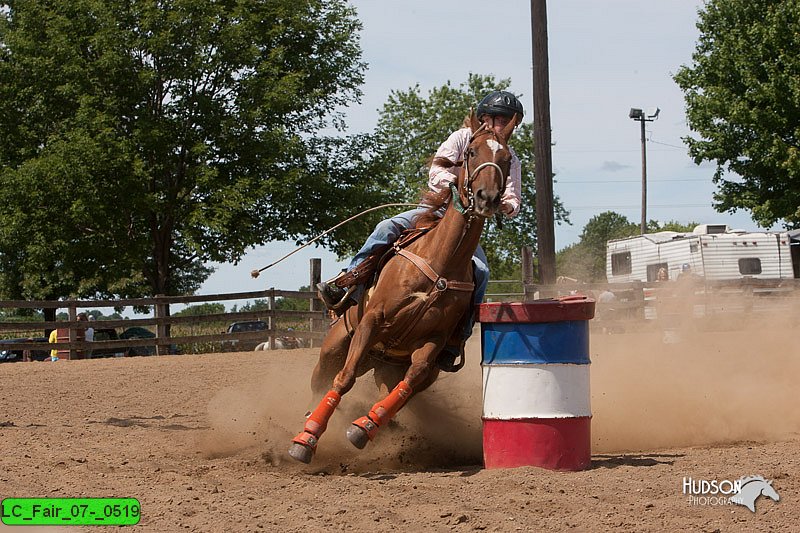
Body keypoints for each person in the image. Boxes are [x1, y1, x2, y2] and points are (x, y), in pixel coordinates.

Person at [316, 90, 524, 367]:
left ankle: (456, 337)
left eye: (508, 121)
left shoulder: (510, 158)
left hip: (470, 227)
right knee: (386, 227)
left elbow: (513, 196)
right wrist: (457, 188)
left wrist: (505, 206)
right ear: (483, 118)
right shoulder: (462, 138)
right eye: (498, 120)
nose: (502, 126)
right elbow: (436, 171)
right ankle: (348, 285)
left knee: (482, 272)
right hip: (438, 212)